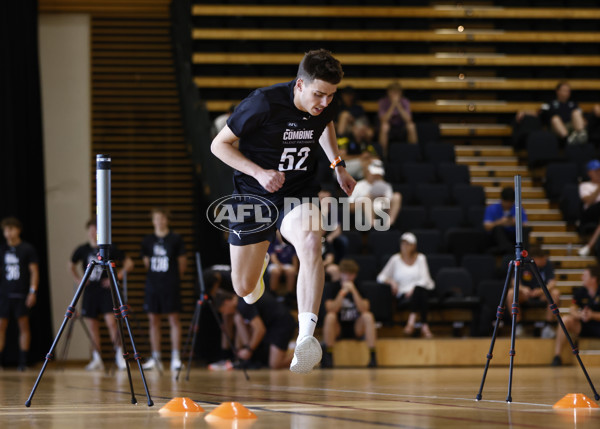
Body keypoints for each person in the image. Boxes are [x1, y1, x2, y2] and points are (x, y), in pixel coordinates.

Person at [211, 48, 356, 374]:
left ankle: (306, 338)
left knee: (310, 242)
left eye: (331, 95)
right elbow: (218, 145)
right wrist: (259, 173)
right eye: (319, 94)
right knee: (243, 288)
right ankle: (258, 265)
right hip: (253, 195)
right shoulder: (263, 103)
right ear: (299, 85)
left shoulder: (324, 104)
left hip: (296, 192)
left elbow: (326, 124)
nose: (324, 102)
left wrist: (338, 166)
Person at [69, 219, 134, 371]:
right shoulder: (83, 249)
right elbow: (70, 264)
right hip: (90, 291)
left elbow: (129, 263)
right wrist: (78, 279)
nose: (93, 232)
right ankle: (97, 358)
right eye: (91, 229)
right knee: (92, 325)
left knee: (112, 323)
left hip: (106, 291)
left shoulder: (108, 248)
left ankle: (119, 355)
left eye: (96, 229)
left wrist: (117, 275)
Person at [140, 208, 187, 372]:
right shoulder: (147, 240)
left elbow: (182, 263)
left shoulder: (175, 238)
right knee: (154, 321)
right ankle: (156, 357)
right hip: (153, 285)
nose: (159, 221)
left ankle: (176, 357)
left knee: (174, 320)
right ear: (152, 221)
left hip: (170, 284)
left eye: (162, 218)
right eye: (156, 219)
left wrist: (171, 278)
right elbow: (146, 263)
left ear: (166, 220)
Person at [377, 232, 435, 338]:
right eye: (403, 244)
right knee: (421, 294)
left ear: (414, 246)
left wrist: (413, 290)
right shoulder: (395, 259)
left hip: (419, 291)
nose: (404, 246)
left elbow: (425, 279)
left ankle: (411, 322)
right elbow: (381, 277)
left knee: (419, 290)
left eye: (408, 244)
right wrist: (391, 281)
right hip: (403, 294)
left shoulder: (421, 258)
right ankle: (424, 326)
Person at [321, 259, 377, 368]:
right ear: (340, 273)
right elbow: (331, 309)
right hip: (338, 328)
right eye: (345, 274)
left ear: (355, 275)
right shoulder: (332, 287)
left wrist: (354, 292)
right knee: (330, 317)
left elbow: (364, 309)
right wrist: (342, 293)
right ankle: (328, 356)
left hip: (356, 327)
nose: (347, 277)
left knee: (368, 316)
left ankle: (373, 356)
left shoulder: (359, 287)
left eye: (351, 274)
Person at [0, 217, 38, 370]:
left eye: (11, 229)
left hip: (21, 293)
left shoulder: (27, 249)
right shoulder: (2, 249)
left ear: (18, 230)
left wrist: (32, 291)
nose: (8, 233)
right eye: (6, 230)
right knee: (1, 326)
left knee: (23, 326)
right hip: (4, 294)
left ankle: (22, 362)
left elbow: (34, 271)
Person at [506, 245, 560, 338]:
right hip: (526, 294)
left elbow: (552, 283)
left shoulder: (547, 264)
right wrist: (523, 288)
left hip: (541, 294)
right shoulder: (524, 263)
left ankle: (548, 326)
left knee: (555, 293)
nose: (544, 260)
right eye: (541, 259)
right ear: (534, 259)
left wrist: (541, 290)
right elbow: (514, 281)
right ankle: (518, 325)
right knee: (511, 293)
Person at [551, 265, 600, 366]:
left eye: (585, 276)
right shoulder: (581, 291)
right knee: (565, 320)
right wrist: (580, 315)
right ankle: (557, 356)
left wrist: (592, 315)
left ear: (593, 279)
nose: (582, 277)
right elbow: (572, 308)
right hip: (586, 325)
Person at [235, 291, 296, 369]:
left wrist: (249, 350)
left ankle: (307, 353)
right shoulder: (241, 304)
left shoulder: (243, 304)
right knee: (237, 318)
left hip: (282, 323)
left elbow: (260, 330)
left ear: (226, 302)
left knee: (275, 364)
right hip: (271, 325)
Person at [349, 159, 402, 229]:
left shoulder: (385, 186)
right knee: (367, 198)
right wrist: (365, 200)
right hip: (363, 214)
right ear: (368, 172)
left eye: (378, 174)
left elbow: (389, 202)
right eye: (374, 173)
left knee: (397, 196)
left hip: (382, 211)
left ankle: (390, 222)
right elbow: (350, 207)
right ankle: (372, 224)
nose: (376, 176)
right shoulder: (358, 185)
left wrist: (383, 198)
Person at [483, 186, 529, 255]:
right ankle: (507, 248)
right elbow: (487, 226)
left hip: (513, 235)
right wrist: (500, 222)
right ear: (502, 199)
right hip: (499, 239)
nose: (508, 204)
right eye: (506, 202)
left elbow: (525, 225)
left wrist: (516, 223)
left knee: (525, 229)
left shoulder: (518, 208)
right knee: (498, 229)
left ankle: (522, 250)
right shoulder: (492, 208)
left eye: (510, 202)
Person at [377, 81, 418, 155]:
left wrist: (398, 105)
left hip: (401, 127)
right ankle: (383, 155)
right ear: (388, 92)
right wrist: (393, 105)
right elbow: (383, 120)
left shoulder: (405, 101)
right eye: (392, 91)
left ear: (401, 93)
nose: (394, 94)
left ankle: (413, 154)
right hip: (389, 127)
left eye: (397, 92)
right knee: (384, 126)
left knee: (411, 126)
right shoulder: (383, 102)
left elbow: (408, 119)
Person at [578, 159, 600, 245]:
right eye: (596, 171)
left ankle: (590, 245)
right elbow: (588, 201)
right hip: (590, 212)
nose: (599, 173)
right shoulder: (585, 185)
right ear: (589, 173)